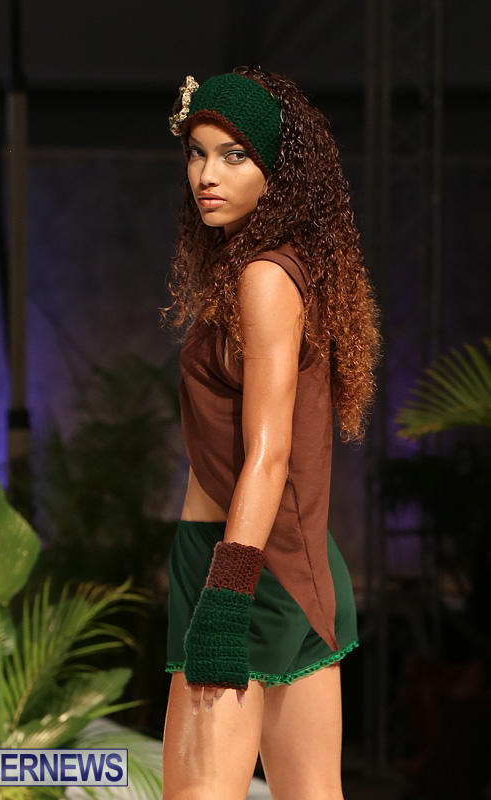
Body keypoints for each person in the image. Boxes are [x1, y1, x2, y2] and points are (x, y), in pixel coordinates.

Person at [159, 65, 382, 800]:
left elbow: (269, 450)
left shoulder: (262, 276)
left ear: (276, 172)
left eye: (234, 155)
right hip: (300, 563)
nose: (207, 175)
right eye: (197, 153)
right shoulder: (275, 269)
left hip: (237, 564)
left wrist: (224, 596)